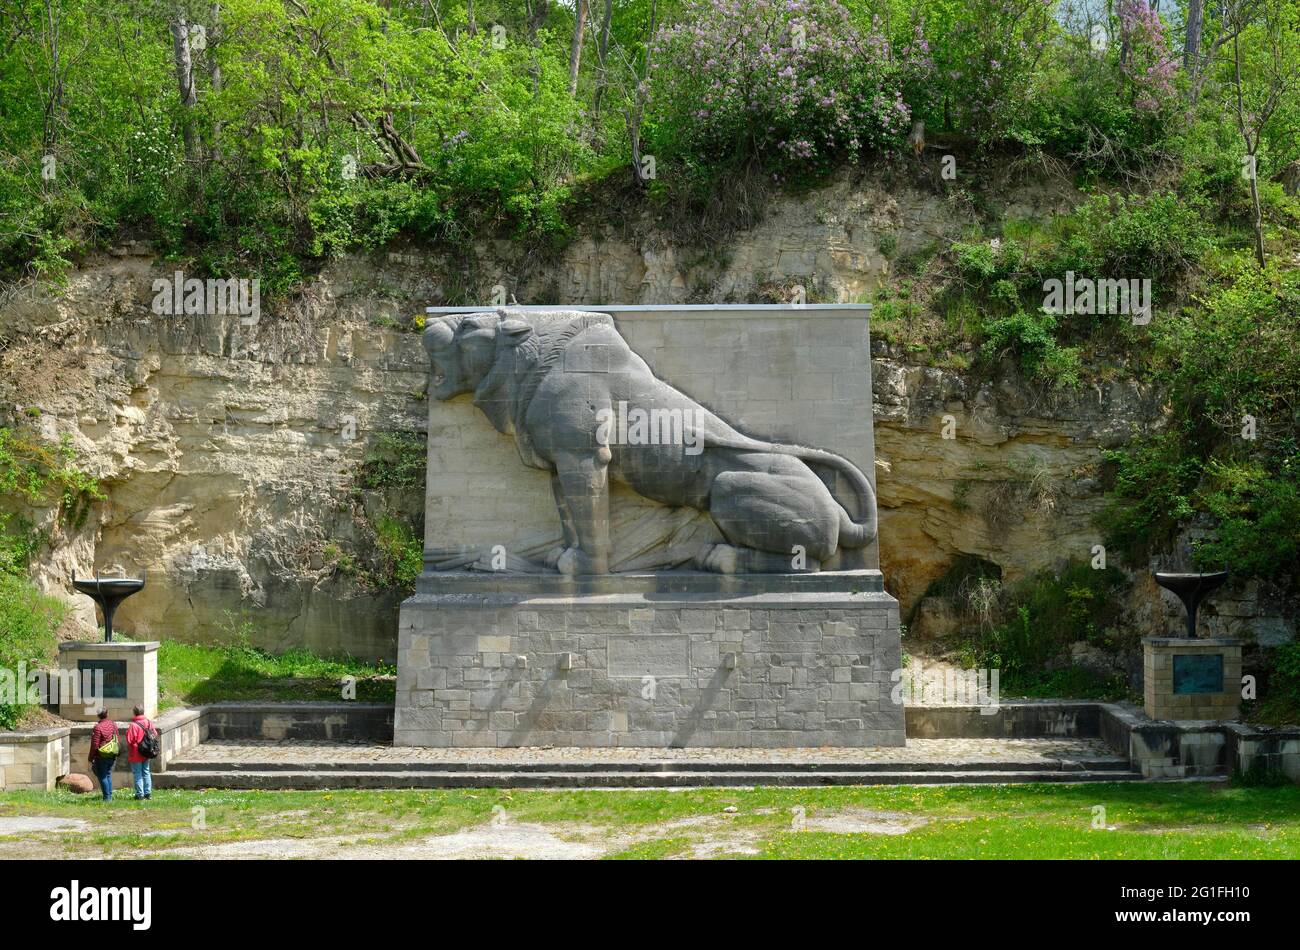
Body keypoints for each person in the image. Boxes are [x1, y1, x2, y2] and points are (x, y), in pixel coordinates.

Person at [125, 705, 155, 801]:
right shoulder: (148, 722)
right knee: (146, 772)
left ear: (134, 713)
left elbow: (129, 740)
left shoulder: (133, 725)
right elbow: (154, 734)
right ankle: (148, 793)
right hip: (146, 752)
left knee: (137, 773)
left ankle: (140, 794)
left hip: (136, 752)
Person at [87, 709, 118, 801]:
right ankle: (109, 795)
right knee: (108, 774)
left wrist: (90, 757)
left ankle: (107, 798)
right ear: (107, 714)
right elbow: (116, 738)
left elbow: (95, 745)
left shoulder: (98, 727)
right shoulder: (113, 724)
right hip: (112, 753)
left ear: (98, 716)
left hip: (101, 756)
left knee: (102, 776)